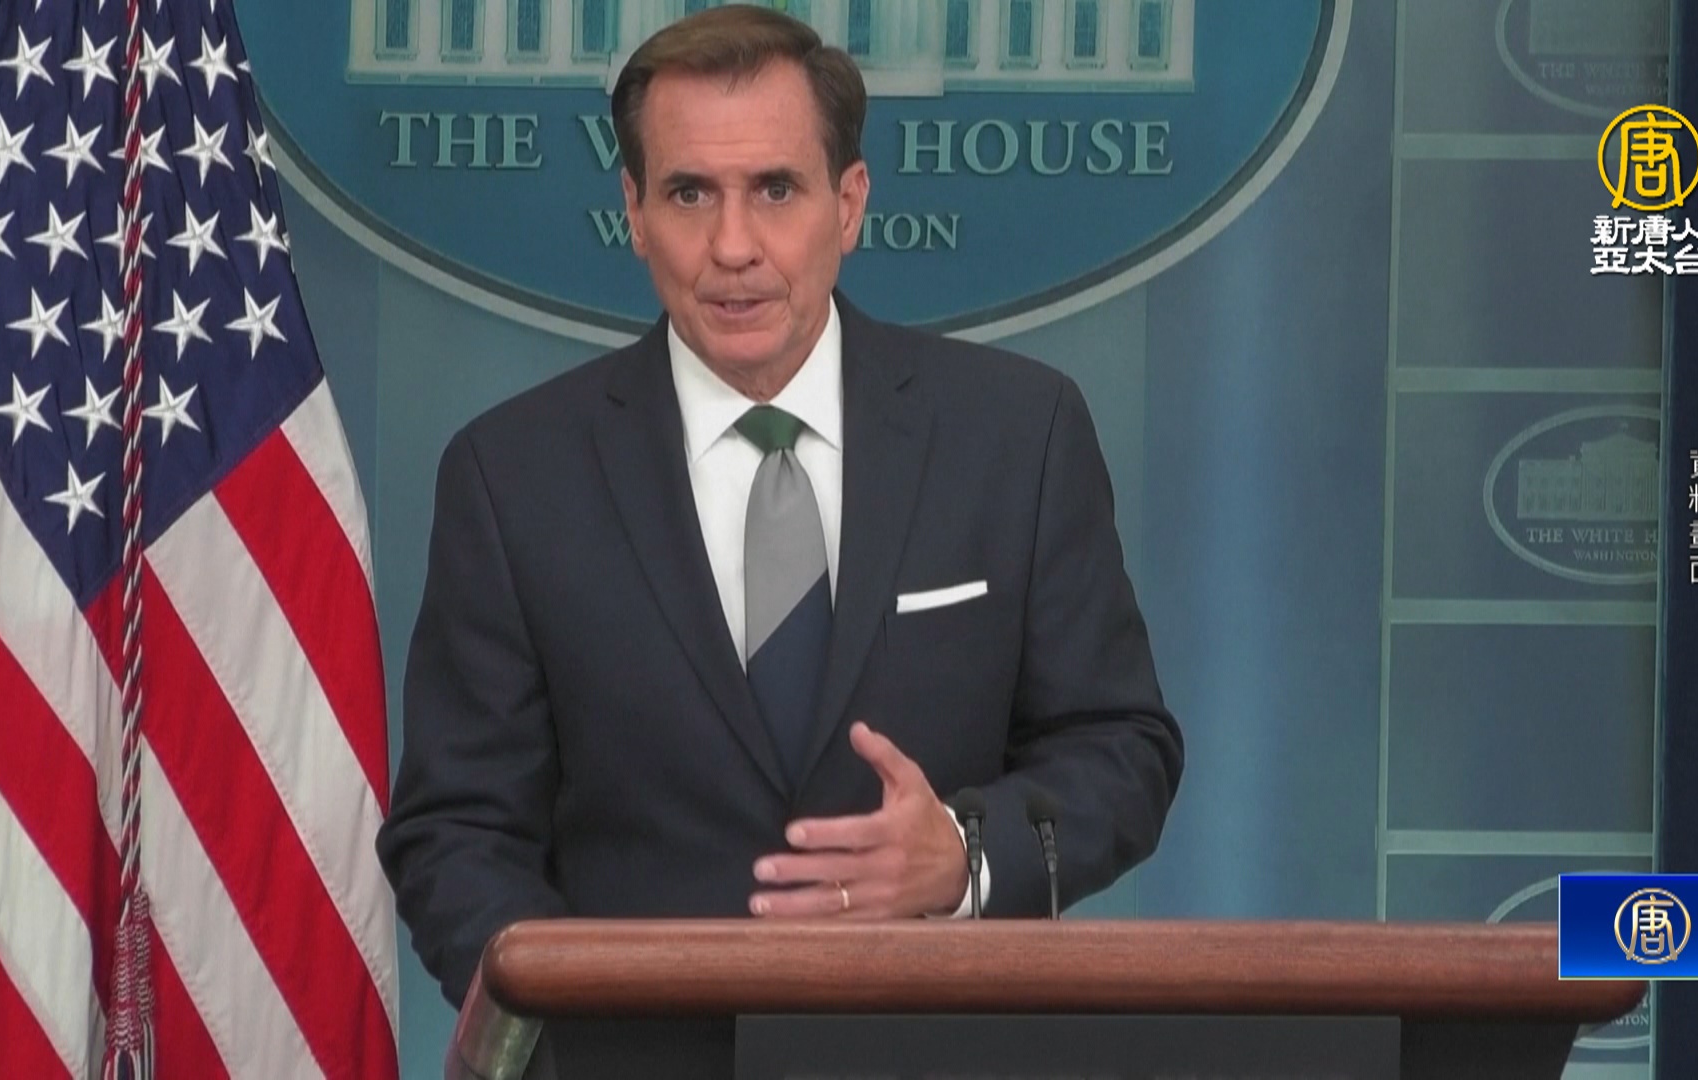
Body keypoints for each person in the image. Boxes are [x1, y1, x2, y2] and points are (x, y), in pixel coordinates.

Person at [376, 5, 1183, 1076]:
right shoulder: (513, 475)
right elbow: (456, 831)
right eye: (689, 193)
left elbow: (1121, 748)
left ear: (848, 204)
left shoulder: (1016, 435)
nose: (733, 247)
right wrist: (572, 1020)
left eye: (775, 190)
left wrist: (964, 857)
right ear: (633, 211)